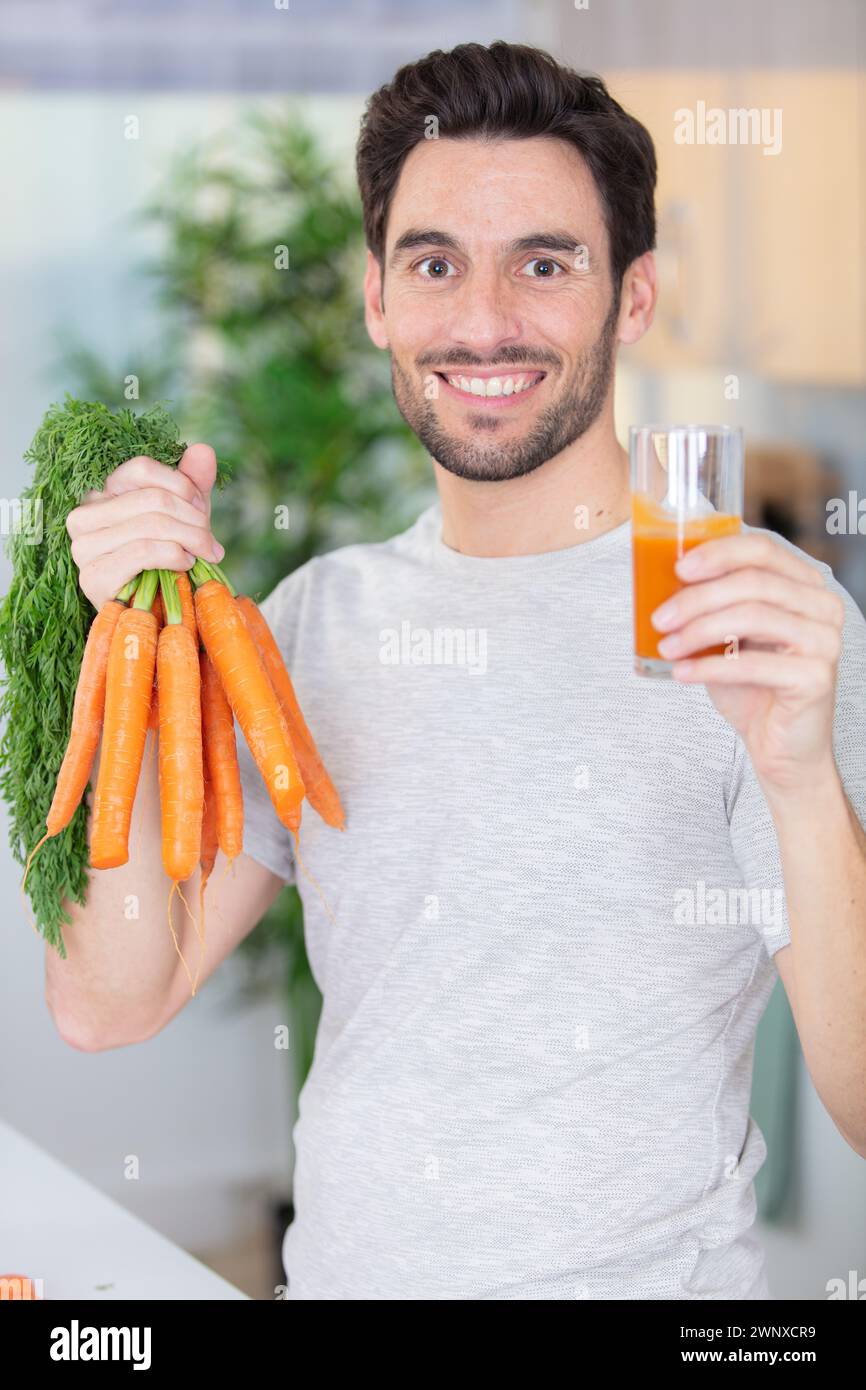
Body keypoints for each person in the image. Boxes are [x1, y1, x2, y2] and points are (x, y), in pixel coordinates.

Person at [51, 42, 866, 1301]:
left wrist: (799, 779)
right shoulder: (312, 623)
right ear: (378, 299)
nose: (484, 321)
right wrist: (128, 641)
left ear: (631, 297)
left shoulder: (747, 617)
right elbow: (108, 1002)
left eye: (544, 263)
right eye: (435, 263)